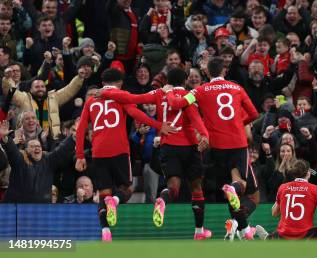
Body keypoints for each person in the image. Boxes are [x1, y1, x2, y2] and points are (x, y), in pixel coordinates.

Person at [98, 68, 212, 240]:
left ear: (168, 80)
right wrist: (204, 135)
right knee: (196, 189)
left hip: (168, 146)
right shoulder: (189, 96)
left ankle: (163, 200)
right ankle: (199, 231)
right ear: (185, 80)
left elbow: (132, 98)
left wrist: (108, 93)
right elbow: (195, 118)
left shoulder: (159, 93)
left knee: (173, 187)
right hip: (189, 146)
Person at [75, 68, 175, 242]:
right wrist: (158, 124)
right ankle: (115, 200)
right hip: (119, 150)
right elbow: (137, 112)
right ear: (120, 82)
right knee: (128, 189)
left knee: (103, 193)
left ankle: (105, 231)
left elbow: (81, 128)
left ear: (103, 83)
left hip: (98, 152)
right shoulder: (120, 96)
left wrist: (80, 156)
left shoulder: (91, 101)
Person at [166, 57, 260, 240]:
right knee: (240, 182)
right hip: (238, 142)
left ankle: (243, 229)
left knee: (231, 188)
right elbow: (254, 113)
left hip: (216, 146)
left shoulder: (200, 90)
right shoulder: (237, 88)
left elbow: (177, 104)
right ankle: (235, 194)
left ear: (207, 73)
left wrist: (169, 92)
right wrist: (239, 125)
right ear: (224, 71)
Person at [0, 120, 75, 203]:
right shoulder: (20, 160)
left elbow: (61, 150)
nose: (37, 148)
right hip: (18, 208)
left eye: (39, 146)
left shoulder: (48, 160)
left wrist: (72, 138)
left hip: (41, 209)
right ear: (26, 150)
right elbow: (12, 151)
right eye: (32, 146)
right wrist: (5, 138)